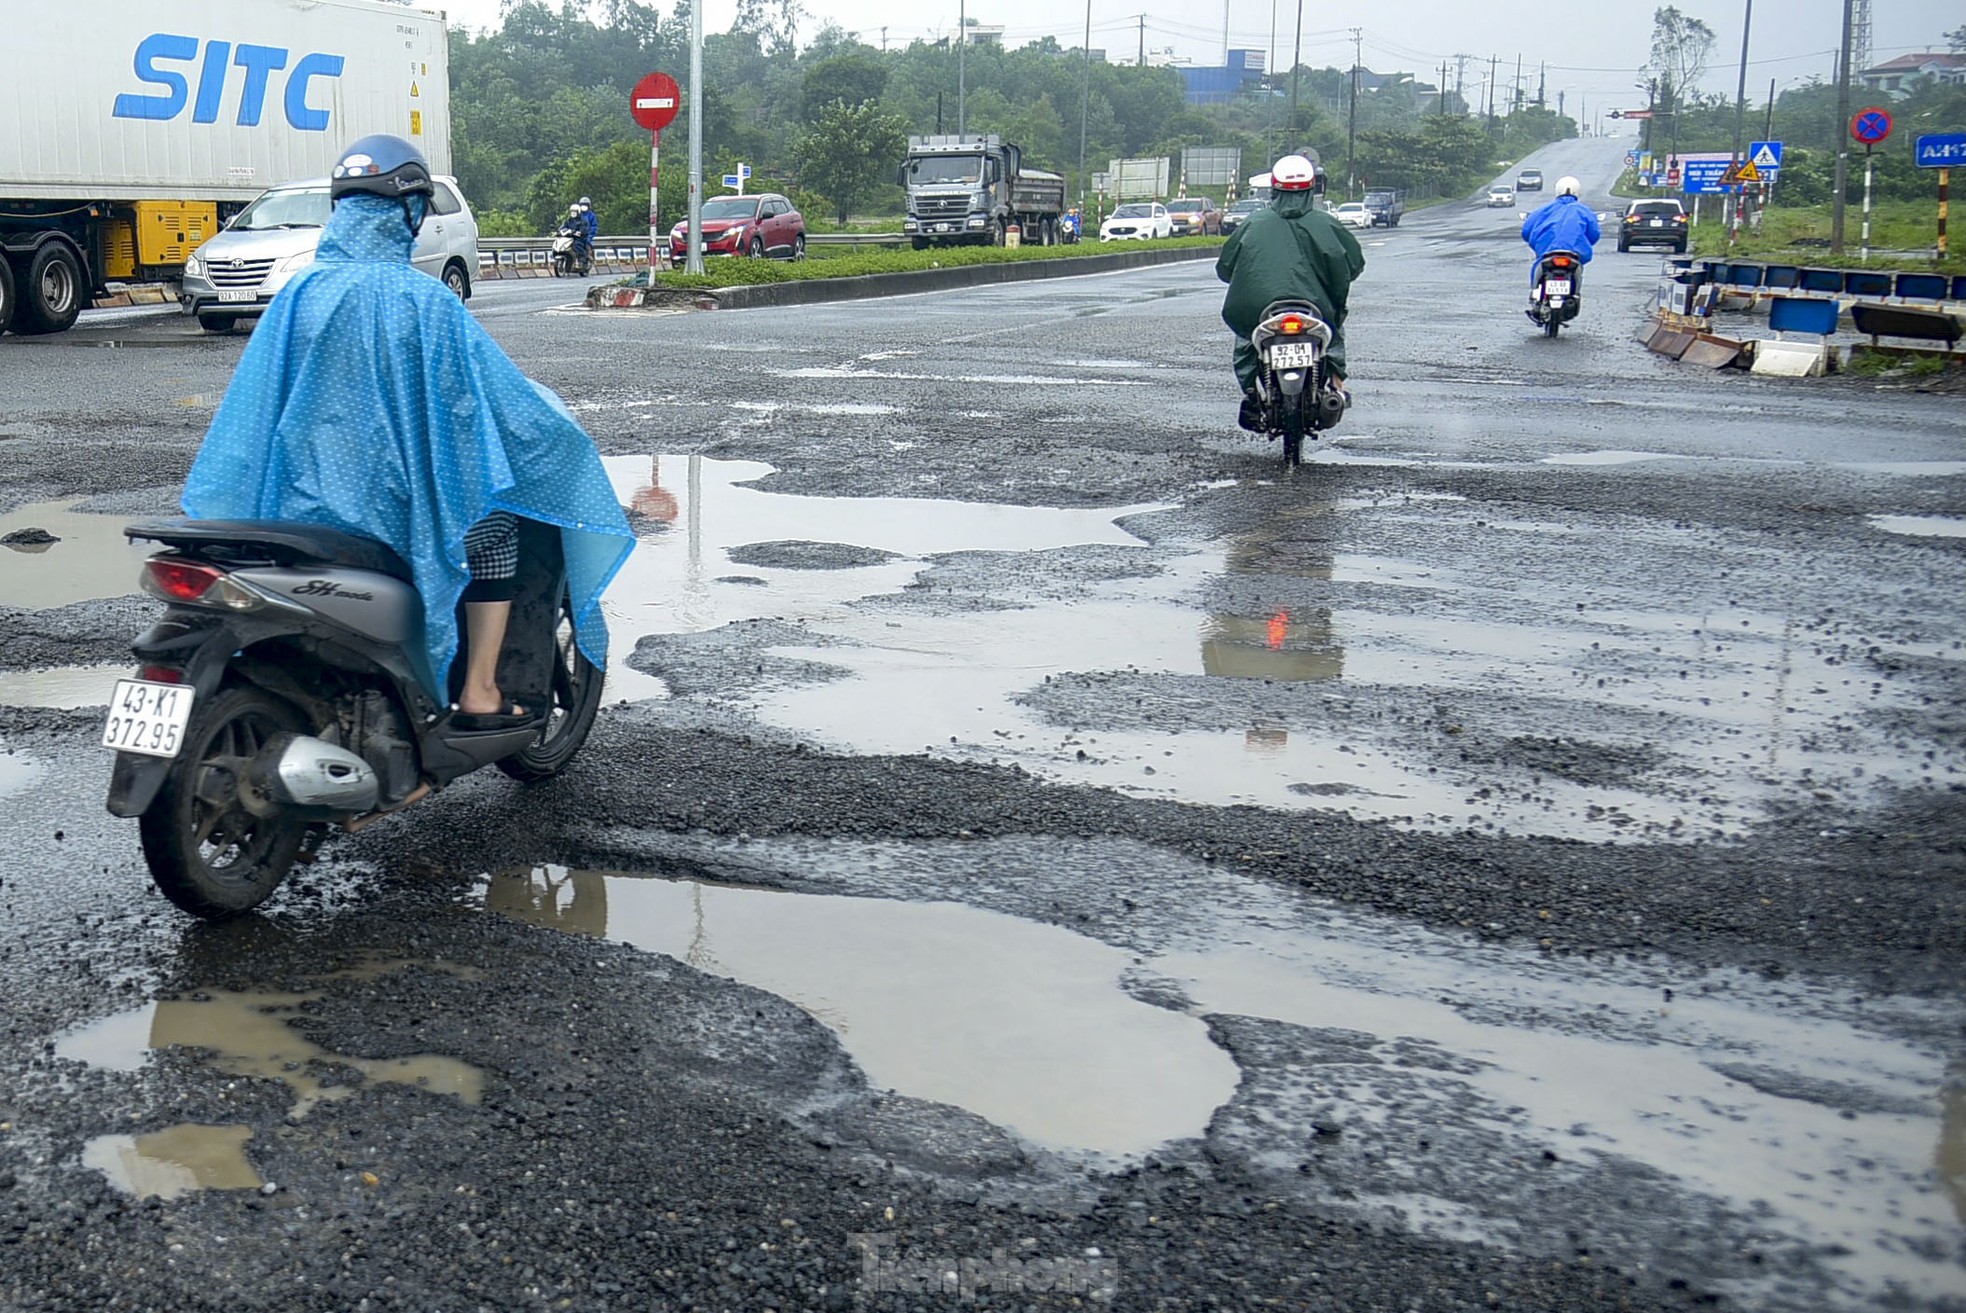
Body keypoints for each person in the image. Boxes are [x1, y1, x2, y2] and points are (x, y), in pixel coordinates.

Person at [181, 134, 633, 729]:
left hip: (288, 516)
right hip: (391, 521)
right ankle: (477, 692)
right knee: (498, 532)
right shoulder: (428, 302)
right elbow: (489, 403)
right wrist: (558, 429)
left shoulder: (297, 296)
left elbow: (249, 415)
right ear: (412, 214)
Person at [1216, 154, 1365, 432]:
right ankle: (1336, 384)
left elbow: (1225, 267)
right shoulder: (1326, 223)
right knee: (1334, 330)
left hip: (1262, 310)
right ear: (1312, 189)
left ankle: (1251, 393)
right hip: (1316, 308)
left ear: (1274, 189)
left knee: (1247, 338)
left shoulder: (1254, 223)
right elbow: (1354, 263)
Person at [1519, 175, 1600, 306]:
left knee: (1537, 269)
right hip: (1574, 255)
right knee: (1578, 272)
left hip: (1547, 253)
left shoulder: (1543, 210)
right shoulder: (1584, 211)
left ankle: (1535, 294)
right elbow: (1594, 234)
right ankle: (1574, 295)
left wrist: (1537, 243)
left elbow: (1526, 231)